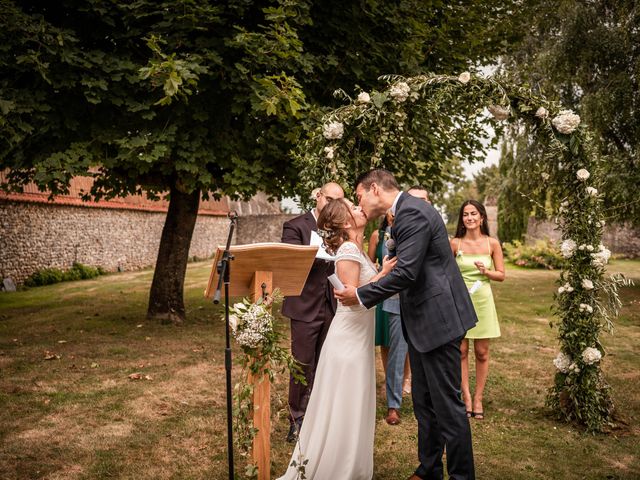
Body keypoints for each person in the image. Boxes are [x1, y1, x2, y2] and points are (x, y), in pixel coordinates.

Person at [336, 169, 477, 480]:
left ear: (374, 189)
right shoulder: (403, 214)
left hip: (439, 321)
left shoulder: (412, 212)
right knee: (425, 405)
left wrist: (359, 295)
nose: (358, 201)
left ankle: (462, 476)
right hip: (423, 322)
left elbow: (407, 273)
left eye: (359, 195)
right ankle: (428, 470)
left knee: (449, 408)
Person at [278, 198, 397, 480]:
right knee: (345, 402)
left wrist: (379, 273)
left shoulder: (355, 247)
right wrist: (382, 276)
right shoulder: (346, 249)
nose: (360, 208)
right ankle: (336, 468)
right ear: (345, 222)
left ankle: (349, 464)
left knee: (352, 402)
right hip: (348, 339)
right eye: (353, 208)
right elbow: (352, 299)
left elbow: (357, 290)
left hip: (357, 336)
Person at [280, 182, 344, 442]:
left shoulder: (340, 230)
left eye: (338, 201)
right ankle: (296, 418)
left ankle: (321, 417)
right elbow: (291, 262)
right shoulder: (296, 226)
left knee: (327, 363)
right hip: (304, 304)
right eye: (329, 199)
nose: (332, 205)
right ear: (318, 196)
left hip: (331, 304)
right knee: (302, 364)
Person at [450, 200, 505, 420]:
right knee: (461, 351)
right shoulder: (455, 244)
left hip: (483, 301)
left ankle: (479, 397)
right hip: (461, 302)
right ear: (462, 219)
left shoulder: (492, 244)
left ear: (482, 217)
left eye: (474, 213)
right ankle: (466, 398)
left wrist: (487, 272)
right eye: (466, 214)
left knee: (482, 352)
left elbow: (501, 274)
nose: (470, 218)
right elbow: (446, 273)